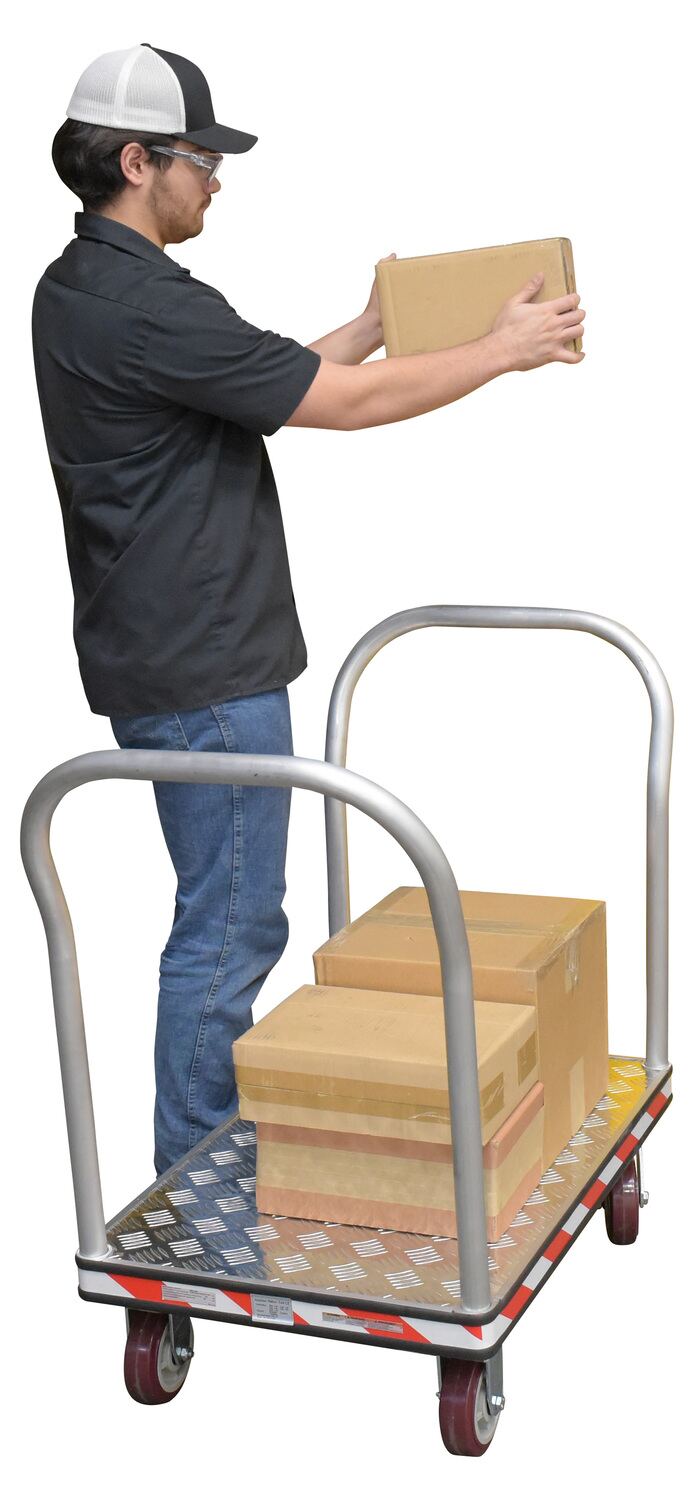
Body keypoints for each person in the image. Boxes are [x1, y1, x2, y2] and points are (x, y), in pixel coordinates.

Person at [32, 43, 586, 1178]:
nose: (215, 181)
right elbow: (342, 405)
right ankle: (195, 1177)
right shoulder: (148, 306)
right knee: (231, 924)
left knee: (224, 913)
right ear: (137, 162)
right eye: (201, 160)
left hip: (165, 657)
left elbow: (264, 382)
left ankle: (205, 1152)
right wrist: (501, 350)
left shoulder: (80, 285)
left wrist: (373, 321)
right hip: (209, 674)